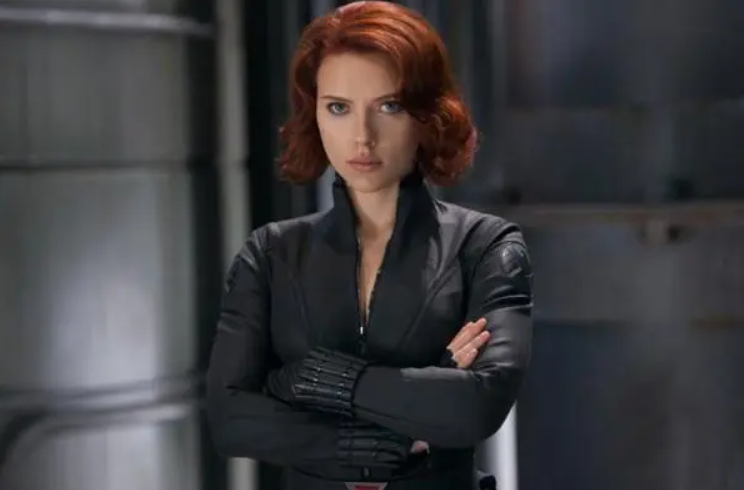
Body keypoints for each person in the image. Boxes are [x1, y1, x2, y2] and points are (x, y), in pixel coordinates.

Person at [205, 2, 533, 489]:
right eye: (338, 107)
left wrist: (309, 377)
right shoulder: (271, 253)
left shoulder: (485, 246)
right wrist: (418, 401)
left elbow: (476, 408)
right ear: (314, 113)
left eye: (389, 106)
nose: (362, 136)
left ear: (427, 114)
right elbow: (230, 419)